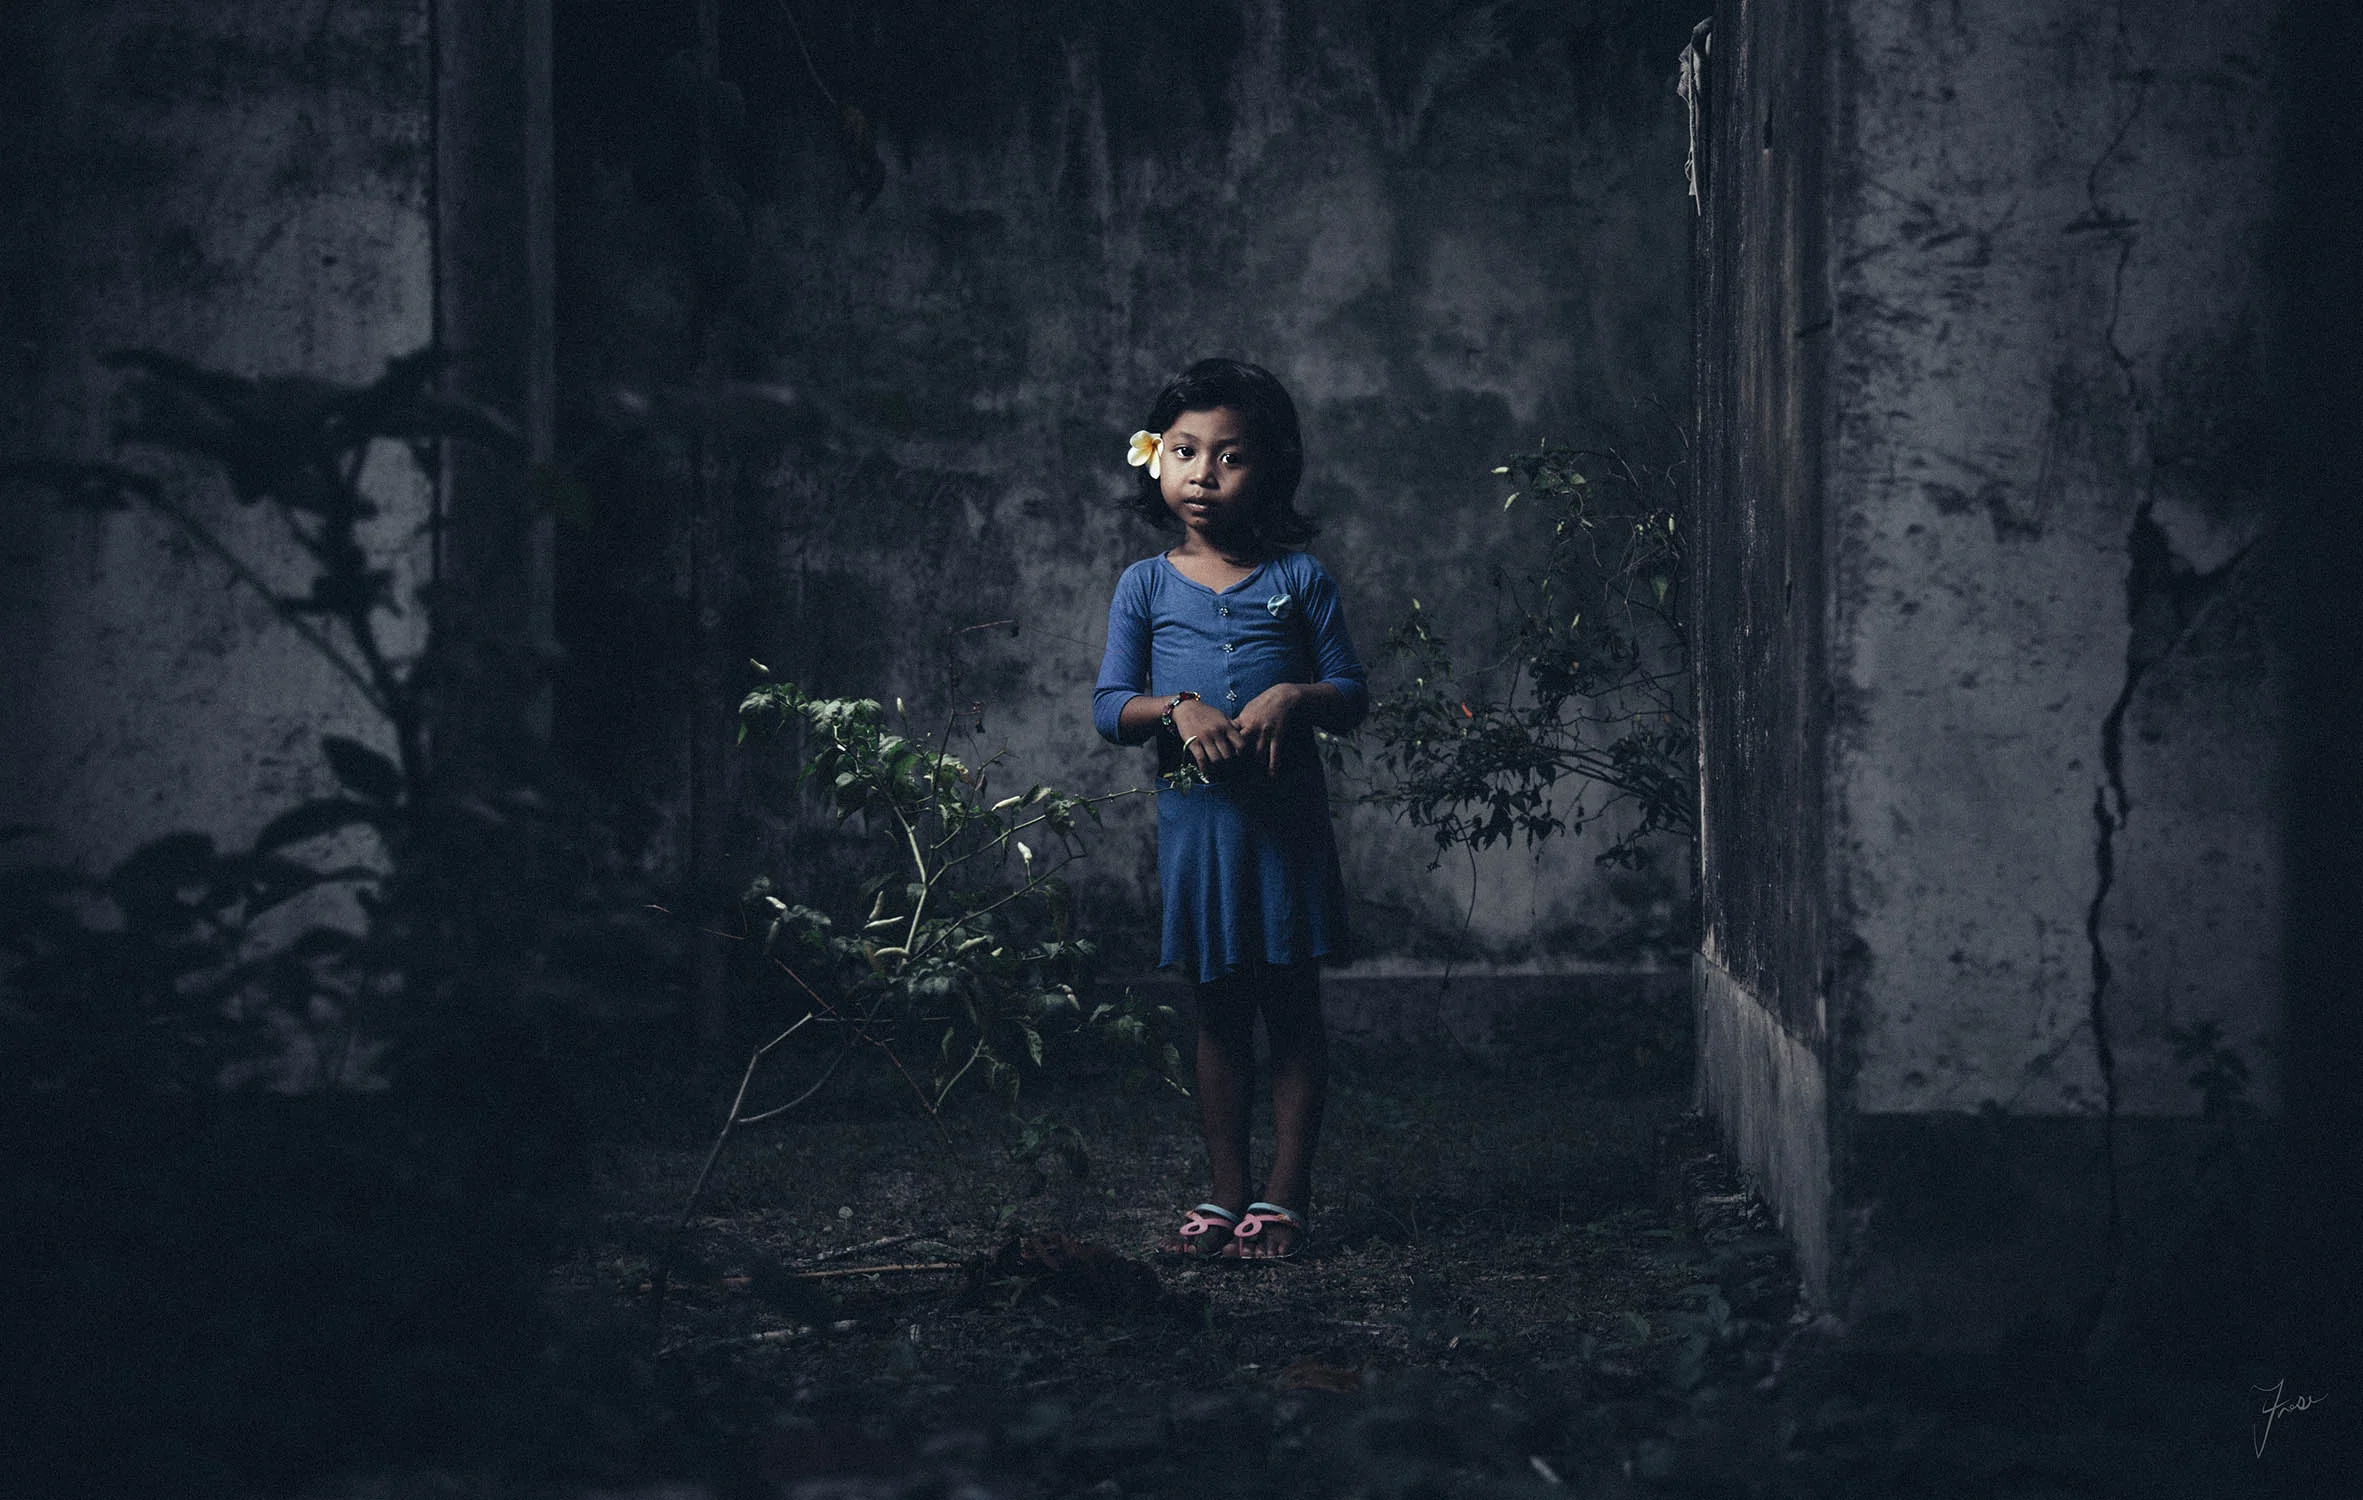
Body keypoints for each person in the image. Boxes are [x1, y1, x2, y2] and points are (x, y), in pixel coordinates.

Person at [1092, 357, 1368, 1262]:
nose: (1202, 474)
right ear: (1155, 460)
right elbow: (1109, 709)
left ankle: (1284, 1200)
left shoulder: (1301, 579)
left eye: (1229, 457)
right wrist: (1176, 708)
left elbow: (1351, 691)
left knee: (1289, 1007)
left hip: (1284, 828)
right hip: (1197, 830)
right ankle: (1223, 1194)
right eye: (1182, 451)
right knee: (1215, 1012)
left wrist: (1296, 695)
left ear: (1272, 470)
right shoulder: (1144, 585)